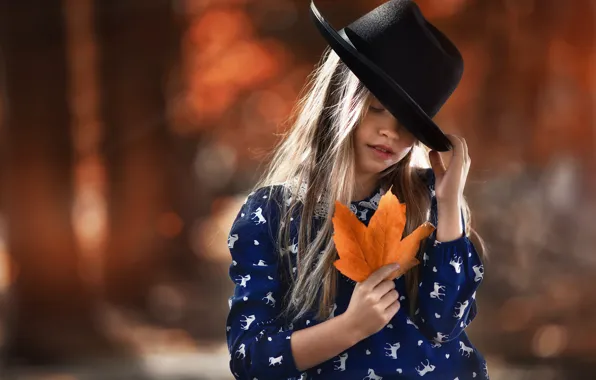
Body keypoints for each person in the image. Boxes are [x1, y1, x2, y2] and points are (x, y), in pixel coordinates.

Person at [225, 0, 489, 378]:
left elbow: (446, 325)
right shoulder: (272, 214)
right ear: (337, 97)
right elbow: (251, 359)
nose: (391, 133)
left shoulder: (428, 202)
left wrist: (448, 208)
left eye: (409, 123)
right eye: (378, 107)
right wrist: (351, 327)